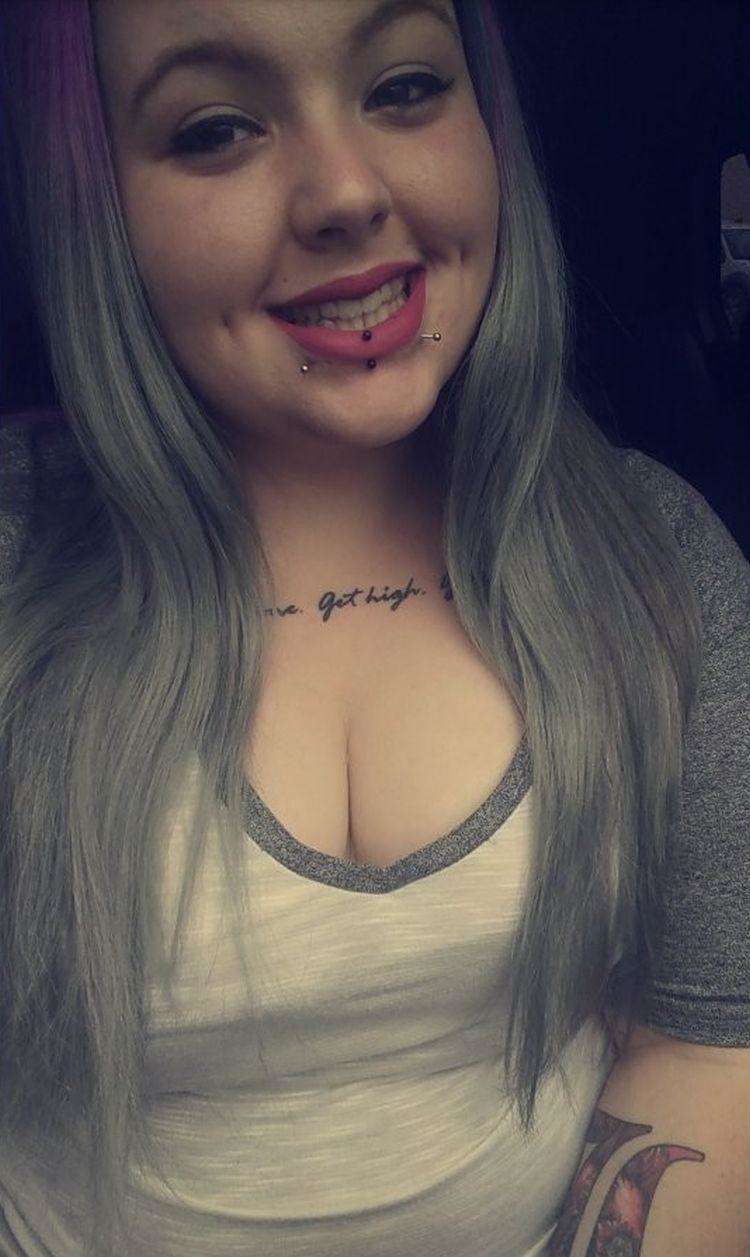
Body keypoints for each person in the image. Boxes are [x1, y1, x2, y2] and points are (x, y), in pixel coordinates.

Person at [0, 3, 748, 1255]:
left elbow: (711, 1047)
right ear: (94, 203)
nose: (347, 192)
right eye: (216, 128)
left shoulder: (654, 560)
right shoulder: (18, 559)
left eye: (403, 88)